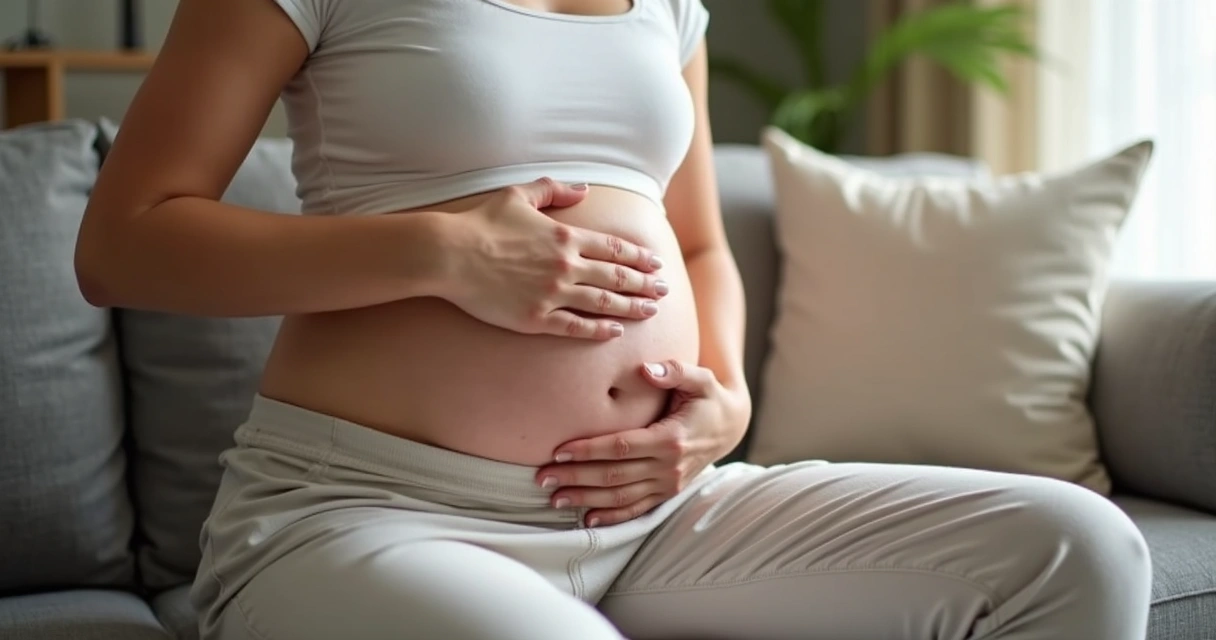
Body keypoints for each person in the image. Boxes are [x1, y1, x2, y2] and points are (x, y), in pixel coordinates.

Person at [75, 0, 1153, 638]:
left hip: (659, 512)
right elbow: (123, 243)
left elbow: (696, 247)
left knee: (1078, 550)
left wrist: (721, 403)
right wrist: (442, 252)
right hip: (366, 512)